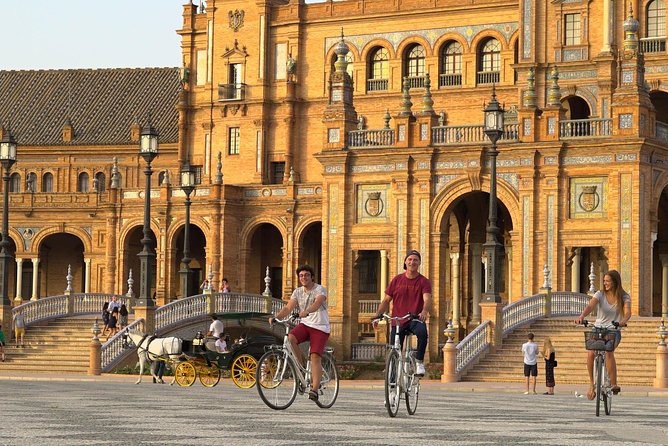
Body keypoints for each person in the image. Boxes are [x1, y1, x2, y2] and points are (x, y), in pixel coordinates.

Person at [269, 265, 330, 403]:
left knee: (315, 356)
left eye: (307, 275)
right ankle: (301, 367)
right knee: (290, 338)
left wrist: (307, 311)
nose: (304, 277)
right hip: (305, 324)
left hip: (320, 327)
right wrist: (276, 317)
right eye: (301, 275)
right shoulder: (297, 291)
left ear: (312, 277)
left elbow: (318, 302)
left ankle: (314, 390)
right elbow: (288, 307)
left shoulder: (319, 289)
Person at [575, 269, 631, 400]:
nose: (605, 283)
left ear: (615, 282)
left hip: (613, 329)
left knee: (608, 352)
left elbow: (627, 312)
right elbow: (590, 306)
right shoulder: (599, 294)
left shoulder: (624, 296)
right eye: (604, 281)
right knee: (590, 353)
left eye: (608, 281)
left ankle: (614, 383)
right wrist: (582, 316)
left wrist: (623, 321)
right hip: (598, 328)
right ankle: (591, 384)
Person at [375, 250, 431, 377]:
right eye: (410, 259)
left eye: (415, 260)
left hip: (414, 318)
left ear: (419, 263)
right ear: (405, 262)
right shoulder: (397, 280)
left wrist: (424, 311)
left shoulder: (423, 281)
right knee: (394, 350)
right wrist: (378, 315)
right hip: (398, 320)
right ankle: (392, 387)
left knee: (422, 333)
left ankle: (419, 362)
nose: (412, 262)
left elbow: (427, 299)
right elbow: (386, 300)